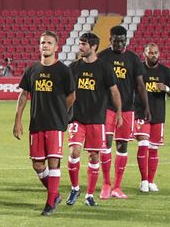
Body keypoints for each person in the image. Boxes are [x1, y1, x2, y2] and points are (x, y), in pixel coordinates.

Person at [13, 31, 76, 215]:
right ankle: (54, 193)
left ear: (56, 47)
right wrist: (17, 120)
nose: (45, 45)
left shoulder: (64, 71)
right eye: (42, 43)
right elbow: (24, 95)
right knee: (38, 165)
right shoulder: (31, 70)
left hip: (55, 124)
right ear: (39, 46)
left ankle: (50, 203)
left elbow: (72, 96)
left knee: (54, 162)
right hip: (36, 123)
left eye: (49, 43)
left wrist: (60, 112)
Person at [65, 32, 123, 207]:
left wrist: (119, 113)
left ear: (93, 46)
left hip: (97, 119)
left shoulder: (105, 68)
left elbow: (114, 91)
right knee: (74, 152)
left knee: (94, 156)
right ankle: (75, 188)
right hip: (77, 118)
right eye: (80, 44)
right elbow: (65, 91)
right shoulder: (73, 67)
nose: (80, 47)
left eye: (83, 44)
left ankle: (89, 195)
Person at [97, 25, 150, 199]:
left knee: (122, 145)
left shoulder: (133, 59)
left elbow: (140, 85)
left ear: (126, 40)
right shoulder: (102, 57)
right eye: (116, 40)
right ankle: (106, 184)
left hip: (127, 108)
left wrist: (147, 107)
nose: (119, 43)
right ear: (110, 39)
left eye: (122, 40)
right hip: (107, 107)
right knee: (105, 143)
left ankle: (117, 187)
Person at [135, 43, 170, 193]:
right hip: (141, 113)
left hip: (159, 114)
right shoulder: (139, 69)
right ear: (144, 54)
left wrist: (166, 88)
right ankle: (143, 181)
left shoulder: (165, 71)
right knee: (143, 143)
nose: (153, 55)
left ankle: (151, 181)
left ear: (159, 54)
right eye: (150, 53)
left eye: (155, 52)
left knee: (154, 148)